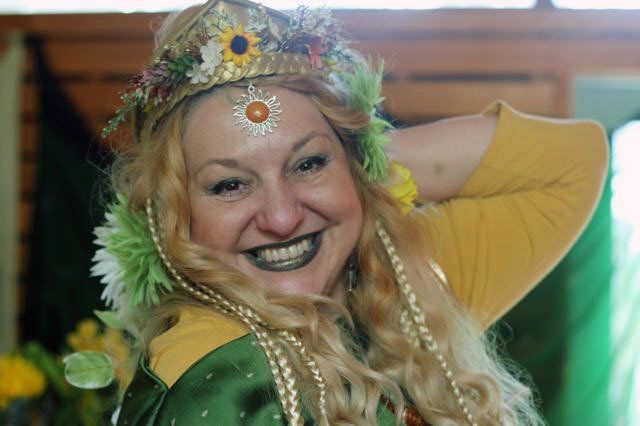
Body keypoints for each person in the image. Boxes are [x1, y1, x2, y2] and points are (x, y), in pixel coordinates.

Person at [90, 0, 608, 424]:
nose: (282, 218)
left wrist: (362, 163)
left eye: (308, 163)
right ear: (174, 216)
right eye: (229, 184)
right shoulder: (219, 374)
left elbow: (573, 164)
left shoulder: (405, 282)